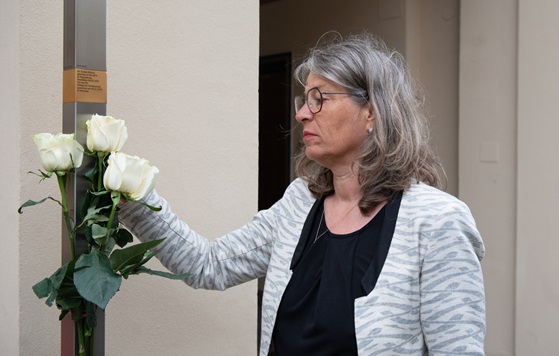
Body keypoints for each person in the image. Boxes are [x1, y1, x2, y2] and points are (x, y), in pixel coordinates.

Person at [119, 32, 486, 355]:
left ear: (371, 112)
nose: (302, 115)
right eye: (303, 101)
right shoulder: (300, 203)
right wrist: (130, 192)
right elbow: (209, 264)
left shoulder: (437, 222)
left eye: (318, 99)